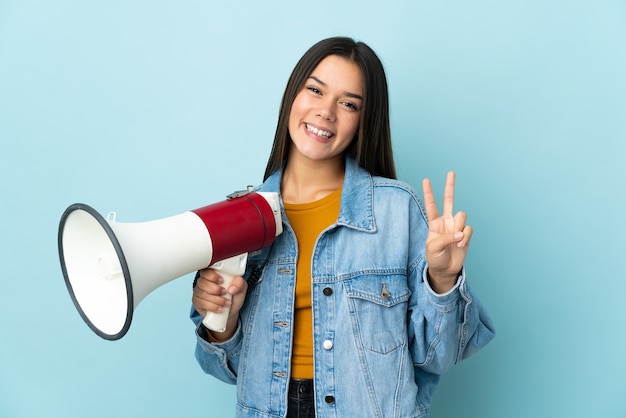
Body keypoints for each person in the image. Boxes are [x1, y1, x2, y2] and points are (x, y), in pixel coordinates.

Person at [190, 36, 495, 418]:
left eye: (348, 103)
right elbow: (222, 368)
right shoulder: (238, 218)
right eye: (315, 90)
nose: (325, 112)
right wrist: (224, 322)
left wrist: (443, 281)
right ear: (293, 95)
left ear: (362, 122)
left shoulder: (397, 210)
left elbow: (436, 355)